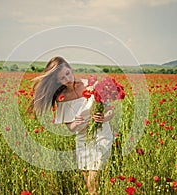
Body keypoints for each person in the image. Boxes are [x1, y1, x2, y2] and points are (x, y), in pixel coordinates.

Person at [28, 56, 114, 195]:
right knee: (89, 184)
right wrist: (76, 123)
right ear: (57, 81)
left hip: (101, 135)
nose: (67, 79)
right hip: (82, 140)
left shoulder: (91, 85)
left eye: (67, 73)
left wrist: (104, 117)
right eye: (62, 78)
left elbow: (110, 110)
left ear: (70, 68)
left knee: (93, 178)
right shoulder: (63, 97)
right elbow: (71, 128)